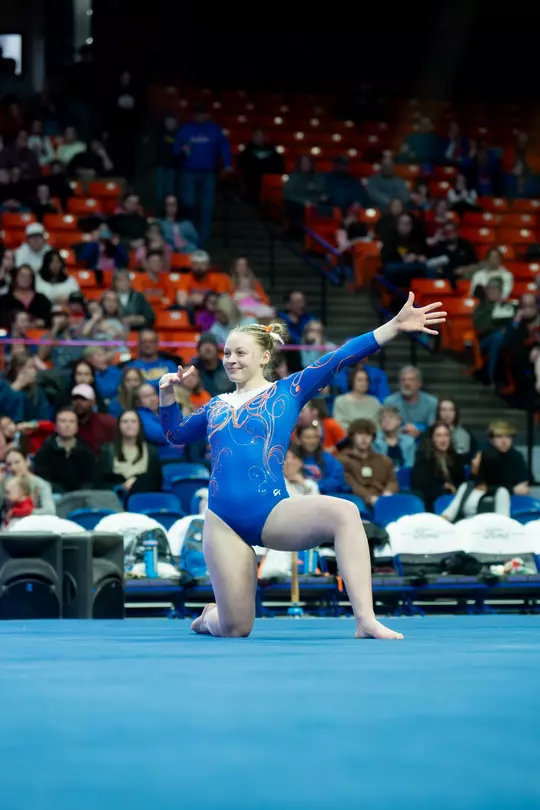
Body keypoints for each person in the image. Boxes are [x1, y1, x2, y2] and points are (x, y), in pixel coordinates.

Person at [159, 291, 445, 639]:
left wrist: (394, 326)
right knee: (235, 629)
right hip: (222, 522)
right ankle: (209, 616)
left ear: (264, 356)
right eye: (227, 353)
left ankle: (365, 620)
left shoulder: (288, 391)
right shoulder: (215, 405)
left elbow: (340, 357)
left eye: (240, 353)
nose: (230, 360)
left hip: (272, 513)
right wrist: (166, 397)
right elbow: (175, 434)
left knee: (345, 512)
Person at [174, 102, 232, 244]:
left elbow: (224, 147)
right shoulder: (186, 130)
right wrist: (182, 150)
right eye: (197, 114)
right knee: (189, 205)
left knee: (207, 206)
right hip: (189, 172)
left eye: (202, 113)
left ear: (207, 115)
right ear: (194, 115)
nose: (200, 116)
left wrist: (227, 164)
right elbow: (175, 150)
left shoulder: (214, 129)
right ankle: (188, 235)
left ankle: (204, 238)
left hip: (209, 173)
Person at [33, 407, 98, 493]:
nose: (67, 425)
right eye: (63, 421)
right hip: (53, 496)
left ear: (77, 426)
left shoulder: (87, 452)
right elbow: (42, 479)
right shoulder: (44, 452)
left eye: (71, 421)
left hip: (81, 496)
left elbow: (91, 479)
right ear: (55, 426)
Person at [99, 410, 162, 496]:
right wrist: (121, 486)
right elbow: (102, 483)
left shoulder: (151, 451)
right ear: (118, 426)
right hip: (115, 496)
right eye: (125, 422)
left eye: (133, 421)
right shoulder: (107, 450)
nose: (129, 425)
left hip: (142, 496)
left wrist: (135, 484)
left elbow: (156, 482)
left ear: (139, 425)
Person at [338, 419, 398, 508]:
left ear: (373, 437)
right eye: (360, 434)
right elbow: (351, 484)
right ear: (352, 436)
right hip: (356, 503)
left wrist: (388, 492)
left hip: (382, 501)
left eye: (368, 434)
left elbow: (392, 481)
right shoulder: (342, 460)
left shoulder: (384, 460)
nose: (364, 438)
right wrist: (369, 497)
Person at [411, 422, 466, 511]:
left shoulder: (456, 458)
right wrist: (443, 488)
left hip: (455, 502)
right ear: (432, 439)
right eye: (438, 436)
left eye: (446, 435)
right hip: (431, 503)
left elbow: (461, 483)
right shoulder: (424, 459)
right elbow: (420, 487)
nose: (443, 440)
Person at [384, 365, 437, 438]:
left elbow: (434, 429)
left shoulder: (432, 402)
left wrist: (419, 431)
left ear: (419, 383)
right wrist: (402, 430)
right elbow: (385, 428)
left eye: (411, 380)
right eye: (403, 380)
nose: (406, 383)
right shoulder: (389, 402)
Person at [0, 447, 55, 515]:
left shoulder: (40, 484)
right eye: (9, 464)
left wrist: (22, 513)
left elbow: (50, 510)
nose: (13, 468)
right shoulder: (5, 483)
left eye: (17, 462)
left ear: (27, 462)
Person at [294, 423, 347, 494]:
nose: (312, 441)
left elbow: (337, 479)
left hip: (327, 497)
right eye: (308, 437)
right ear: (299, 439)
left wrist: (315, 487)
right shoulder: (291, 459)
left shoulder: (328, 458)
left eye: (315, 437)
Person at [0, 263, 52, 328]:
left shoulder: (42, 299)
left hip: (37, 334)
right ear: (15, 278)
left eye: (29, 276)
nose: (25, 279)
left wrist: (41, 322)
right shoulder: (4, 299)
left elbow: (48, 319)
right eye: (22, 276)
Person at [71, 383, 116, 456]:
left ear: (93, 402)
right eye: (75, 399)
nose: (78, 403)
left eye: (83, 399)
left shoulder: (107, 423)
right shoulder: (67, 423)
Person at [435, 399, 478, 464]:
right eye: (443, 410)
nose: (447, 414)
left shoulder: (465, 433)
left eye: (451, 410)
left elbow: (473, 455)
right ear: (438, 412)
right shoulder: (430, 432)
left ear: (456, 412)